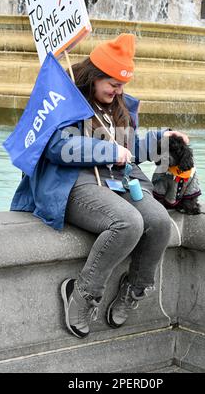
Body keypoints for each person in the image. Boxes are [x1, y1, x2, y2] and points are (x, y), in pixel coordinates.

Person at [11, 34, 189, 339]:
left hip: (118, 180)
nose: (118, 91)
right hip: (74, 181)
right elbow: (58, 147)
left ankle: (134, 288)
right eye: (112, 84)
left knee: (160, 223)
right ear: (94, 76)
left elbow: (130, 147)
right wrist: (110, 150)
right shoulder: (65, 98)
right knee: (128, 222)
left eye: (122, 85)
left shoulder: (119, 105)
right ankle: (82, 293)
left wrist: (164, 140)